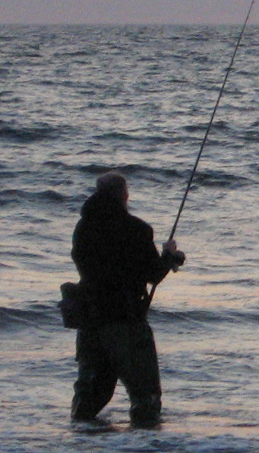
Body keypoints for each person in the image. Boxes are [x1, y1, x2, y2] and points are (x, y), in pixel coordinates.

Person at [70, 171, 186, 426]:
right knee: (146, 399)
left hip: (90, 321)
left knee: (88, 399)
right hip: (126, 323)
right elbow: (153, 274)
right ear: (124, 195)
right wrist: (169, 256)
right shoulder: (137, 230)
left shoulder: (83, 228)